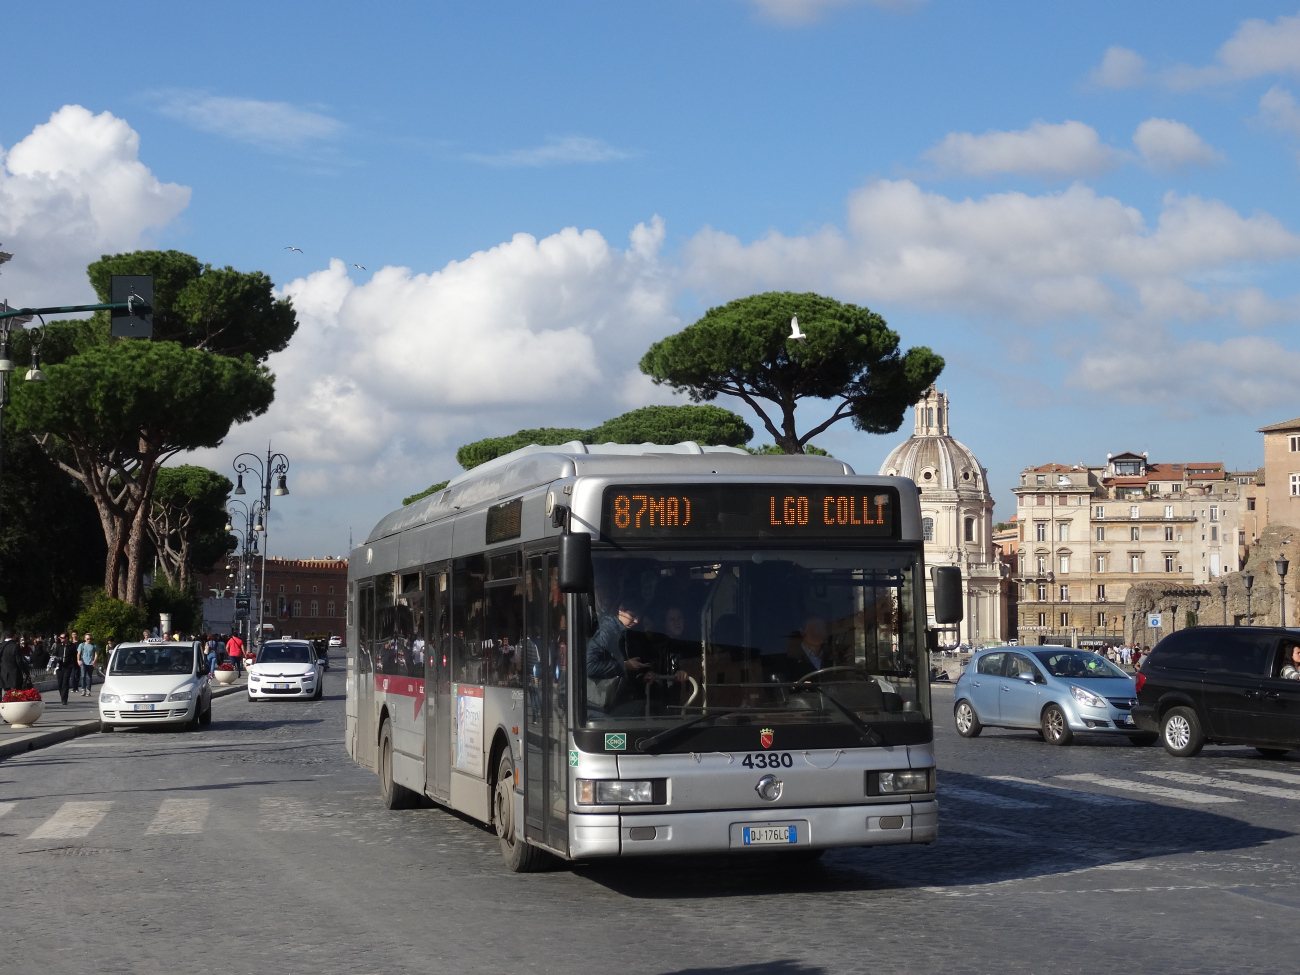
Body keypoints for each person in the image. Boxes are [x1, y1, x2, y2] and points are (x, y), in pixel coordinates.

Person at [585, 595, 654, 717]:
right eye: (632, 615)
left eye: (639, 616)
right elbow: (590, 667)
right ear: (620, 610)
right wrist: (624, 665)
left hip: (619, 698)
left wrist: (642, 676)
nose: (637, 621)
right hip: (602, 703)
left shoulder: (628, 631)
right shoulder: (606, 631)